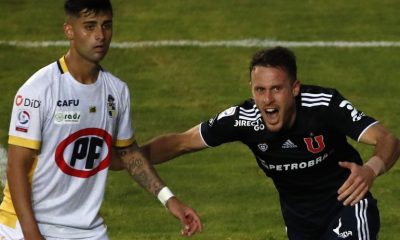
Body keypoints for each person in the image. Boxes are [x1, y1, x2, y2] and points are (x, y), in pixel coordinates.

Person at [141, 46, 400, 239]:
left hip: (349, 208)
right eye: (260, 90)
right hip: (299, 222)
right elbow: (182, 142)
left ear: (294, 88)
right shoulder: (244, 119)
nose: (267, 100)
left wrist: (371, 169)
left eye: (276, 89)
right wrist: (126, 156)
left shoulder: (323, 105)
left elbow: (388, 139)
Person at [0, 0, 202, 239]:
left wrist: (170, 200)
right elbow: (16, 167)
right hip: (29, 226)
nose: (100, 35)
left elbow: (128, 154)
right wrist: (32, 234)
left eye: (106, 26)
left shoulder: (116, 91)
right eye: (89, 26)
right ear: (69, 31)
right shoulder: (38, 90)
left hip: (88, 230)